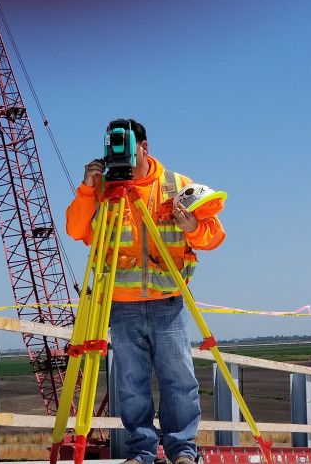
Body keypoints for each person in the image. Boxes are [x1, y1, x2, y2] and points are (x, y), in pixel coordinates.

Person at [66, 119, 225, 464]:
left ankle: (182, 450)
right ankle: (142, 452)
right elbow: (76, 229)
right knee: (131, 385)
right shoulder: (103, 190)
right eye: (114, 147)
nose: (119, 155)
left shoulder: (176, 185)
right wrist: (86, 188)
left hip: (167, 303)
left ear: (144, 147)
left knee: (179, 380)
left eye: (126, 146)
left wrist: (194, 227)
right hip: (122, 306)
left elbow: (214, 235)